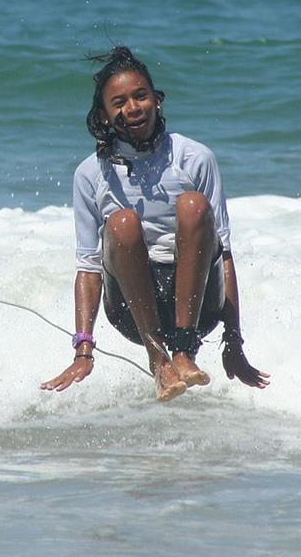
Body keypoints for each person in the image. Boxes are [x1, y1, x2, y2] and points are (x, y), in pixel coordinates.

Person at [41, 46, 270, 402]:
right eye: (118, 102)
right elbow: (88, 268)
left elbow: (223, 254)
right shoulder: (90, 174)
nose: (132, 108)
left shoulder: (194, 158)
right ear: (103, 115)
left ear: (158, 101)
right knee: (122, 223)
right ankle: (157, 358)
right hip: (131, 308)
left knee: (193, 206)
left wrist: (234, 342)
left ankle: (183, 351)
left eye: (140, 96)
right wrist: (82, 351)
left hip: (197, 306)